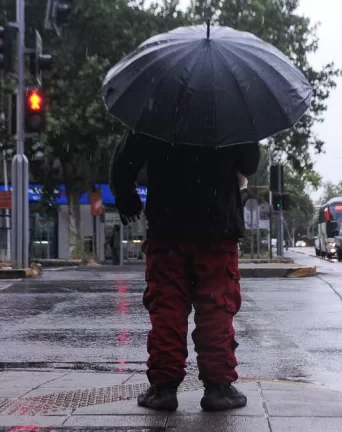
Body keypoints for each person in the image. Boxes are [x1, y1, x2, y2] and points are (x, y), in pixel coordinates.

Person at [110, 131, 260, 412]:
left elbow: (125, 160)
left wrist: (127, 197)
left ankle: (164, 388)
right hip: (218, 226)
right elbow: (249, 163)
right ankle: (218, 387)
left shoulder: (156, 108)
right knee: (217, 306)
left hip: (168, 226)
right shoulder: (229, 110)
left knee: (167, 306)